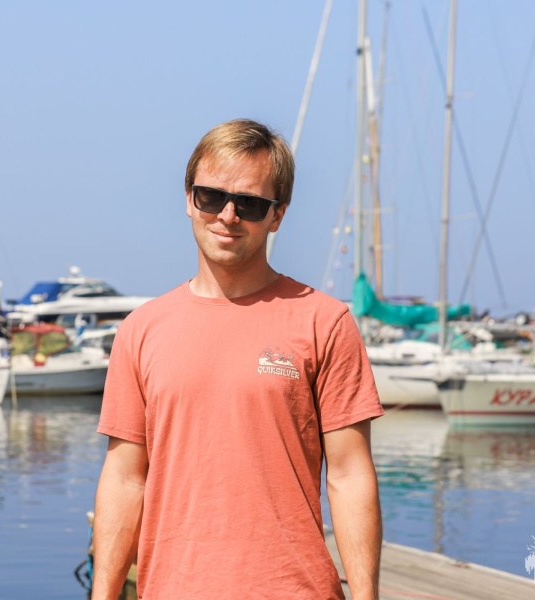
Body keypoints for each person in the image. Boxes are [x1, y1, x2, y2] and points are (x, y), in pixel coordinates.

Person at [92, 118, 384, 599]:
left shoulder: (324, 323)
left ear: (277, 214)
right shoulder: (141, 330)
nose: (228, 215)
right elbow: (125, 478)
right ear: (190, 200)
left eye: (249, 204)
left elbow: (350, 475)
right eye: (211, 196)